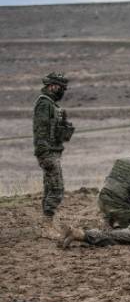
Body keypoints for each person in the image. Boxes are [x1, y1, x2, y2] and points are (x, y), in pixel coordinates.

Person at [33, 72, 75, 238]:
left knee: (50, 188)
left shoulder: (52, 105)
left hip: (53, 151)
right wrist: (44, 153)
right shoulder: (44, 104)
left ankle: (47, 224)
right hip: (48, 153)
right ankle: (47, 226)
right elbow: (41, 130)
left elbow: (56, 131)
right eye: (60, 87)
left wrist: (64, 127)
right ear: (52, 86)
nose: (62, 91)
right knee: (56, 188)